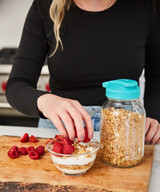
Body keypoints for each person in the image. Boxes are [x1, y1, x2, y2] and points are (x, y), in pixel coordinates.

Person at [6, 0, 160, 144]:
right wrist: (44, 101)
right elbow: (16, 85)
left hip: (125, 133)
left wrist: (154, 118)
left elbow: (157, 76)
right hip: (59, 133)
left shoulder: (148, 6)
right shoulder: (44, 6)